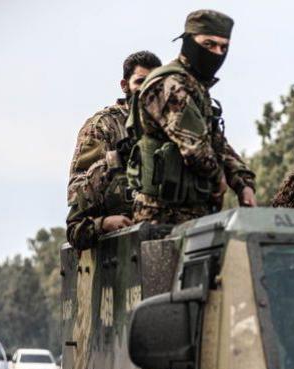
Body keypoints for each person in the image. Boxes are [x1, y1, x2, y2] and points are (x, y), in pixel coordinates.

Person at [129, 9, 256, 225]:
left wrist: (243, 183)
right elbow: (195, 148)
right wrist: (219, 181)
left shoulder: (195, 85)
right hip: (162, 216)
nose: (216, 53)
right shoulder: (168, 83)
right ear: (188, 41)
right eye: (208, 44)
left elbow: (216, 144)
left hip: (195, 213)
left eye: (223, 47)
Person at [65, 51, 161, 249]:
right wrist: (103, 223)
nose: (146, 89)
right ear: (125, 85)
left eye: (153, 82)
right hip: (117, 243)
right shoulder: (103, 126)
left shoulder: (168, 125)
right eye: (140, 81)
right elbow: (80, 193)